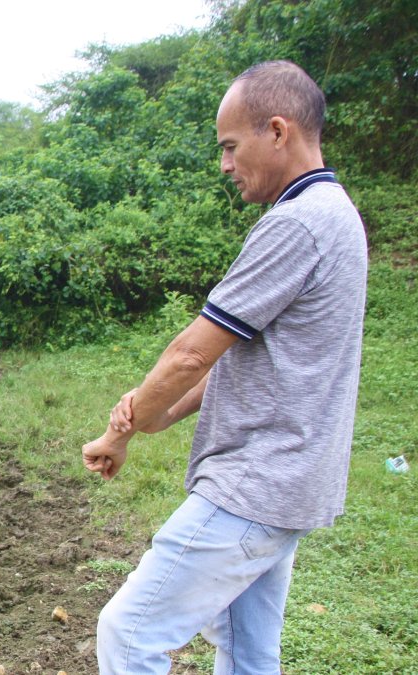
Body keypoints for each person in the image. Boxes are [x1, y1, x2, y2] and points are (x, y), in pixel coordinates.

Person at [81, 60, 367, 674]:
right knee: (247, 651)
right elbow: (249, 354)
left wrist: (120, 432)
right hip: (288, 483)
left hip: (255, 483)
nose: (225, 165)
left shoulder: (297, 224)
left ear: (278, 131)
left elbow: (192, 353)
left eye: (231, 146)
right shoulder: (334, 212)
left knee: (128, 634)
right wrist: (158, 416)